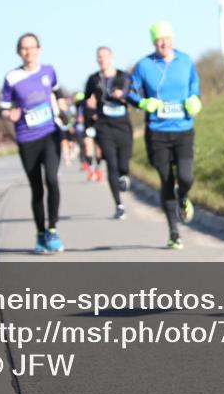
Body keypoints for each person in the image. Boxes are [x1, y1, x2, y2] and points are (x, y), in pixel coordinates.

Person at [129, 21, 202, 249]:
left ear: (173, 39)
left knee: (186, 177)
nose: (164, 43)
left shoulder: (185, 61)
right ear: (154, 42)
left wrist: (194, 100)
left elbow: (194, 87)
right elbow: (130, 92)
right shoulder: (144, 65)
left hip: (183, 130)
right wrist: (143, 102)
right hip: (157, 133)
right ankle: (173, 232)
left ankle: (184, 197)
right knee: (166, 180)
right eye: (159, 39)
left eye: (167, 38)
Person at [0, 33, 68, 254]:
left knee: (52, 180)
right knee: (36, 188)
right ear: (19, 52)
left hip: (50, 133)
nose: (29, 52)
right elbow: (1, 108)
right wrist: (10, 114)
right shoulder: (12, 78)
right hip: (27, 139)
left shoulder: (49, 71)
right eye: (24, 49)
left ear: (39, 49)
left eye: (32, 47)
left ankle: (53, 230)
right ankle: (40, 235)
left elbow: (57, 92)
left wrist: (62, 105)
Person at [84, 46, 135, 219]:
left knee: (123, 162)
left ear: (112, 57)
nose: (102, 59)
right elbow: (86, 102)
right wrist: (89, 111)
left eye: (105, 56)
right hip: (104, 126)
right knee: (111, 164)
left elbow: (132, 94)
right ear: (97, 59)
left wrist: (123, 95)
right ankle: (119, 204)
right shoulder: (93, 79)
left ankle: (125, 174)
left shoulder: (123, 76)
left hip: (123, 124)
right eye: (99, 57)